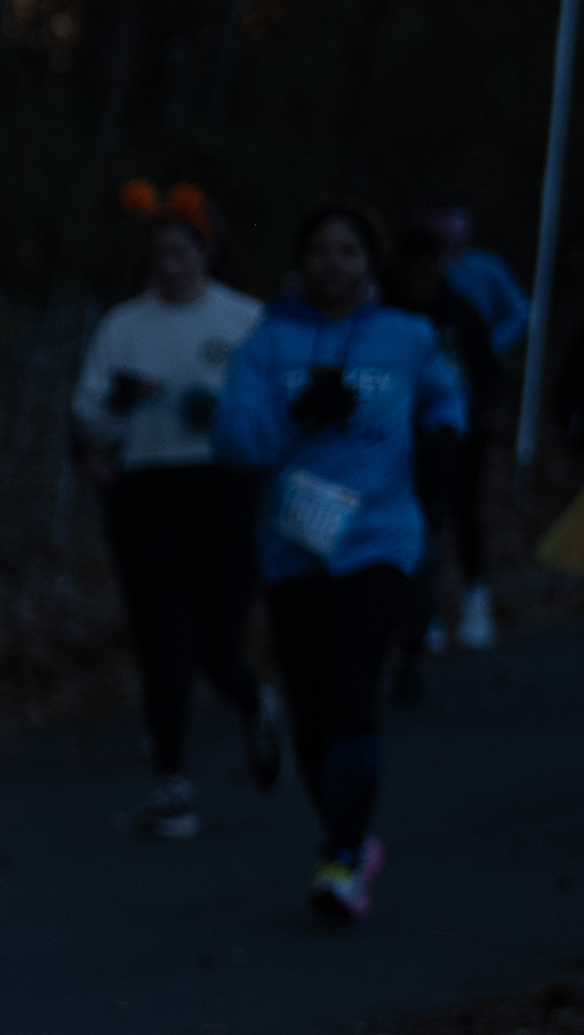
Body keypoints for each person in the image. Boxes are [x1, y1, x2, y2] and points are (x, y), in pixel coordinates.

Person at [215, 201, 465, 924]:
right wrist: (296, 416)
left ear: (369, 262)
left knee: (356, 689)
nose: (334, 264)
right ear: (300, 262)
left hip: (378, 538)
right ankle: (345, 836)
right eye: (321, 251)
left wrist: (443, 439)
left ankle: (346, 855)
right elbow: (233, 440)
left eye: (349, 251)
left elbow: (446, 395)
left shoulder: (406, 335)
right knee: (313, 704)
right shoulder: (267, 343)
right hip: (295, 544)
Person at [72, 182, 277, 838]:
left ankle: (254, 703)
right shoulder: (123, 325)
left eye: (183, 252)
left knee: (217, 644)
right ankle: (172, 782)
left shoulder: (244, 320)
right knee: (161, 638)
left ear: (206, 253)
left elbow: (277, 406)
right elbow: (88, 413)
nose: (171, 265)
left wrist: (227, 417)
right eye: (160, 254)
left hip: (221, 487)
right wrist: (118, 409)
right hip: (145, 491)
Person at [384, 223, 499, 689]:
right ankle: (419, 620)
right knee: (413, 526)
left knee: (459, 514)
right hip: (398, 438)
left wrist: (479, 415)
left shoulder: (460, 312)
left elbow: (486, 371)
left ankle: (474, 601)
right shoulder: (388, 313)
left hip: (456, 437)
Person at [413, 205, 525, 649]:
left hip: (466, 413)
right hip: (418, 418)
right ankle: (428, 613)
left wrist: (490, 351)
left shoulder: (481, 279)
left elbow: (520, 311)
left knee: (463, 507)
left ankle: (475, 602)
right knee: (425, 513)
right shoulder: (411, 300)